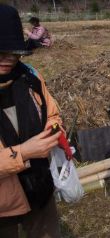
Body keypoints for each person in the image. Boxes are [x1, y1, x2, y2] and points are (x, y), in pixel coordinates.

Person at [0, 4, 63, 238]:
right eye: (0, 52)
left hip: (39, 188)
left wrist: (53, 130)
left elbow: (53, 114)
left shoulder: (30, 77)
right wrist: (24, 152)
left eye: (14, 52)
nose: (8, 59)